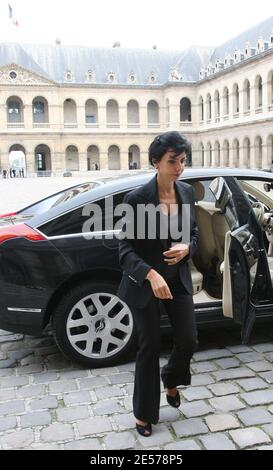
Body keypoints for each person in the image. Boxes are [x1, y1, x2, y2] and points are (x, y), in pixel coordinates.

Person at [117, 131, 199, 437]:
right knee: (149, 346)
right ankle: (144, 414)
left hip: (177, 279)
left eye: (183, 161)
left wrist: (188, 248)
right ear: (156, 162)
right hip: (146, 283)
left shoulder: (188, 193)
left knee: (189, 339)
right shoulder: (137, 199)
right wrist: (150, 275)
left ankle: (172, 377)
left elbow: (195, 236)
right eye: (172, 161)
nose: (179, 167)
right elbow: (125, 250)